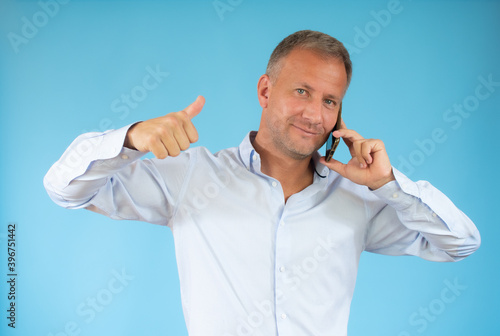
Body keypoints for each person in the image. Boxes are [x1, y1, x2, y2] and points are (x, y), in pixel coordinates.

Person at [44, 30, 480, 336]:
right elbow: (64, 188)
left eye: (330, 101)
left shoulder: (359, 200)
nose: (315, 115)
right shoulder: (191, 177)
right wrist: (132, 136)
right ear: (265, 91)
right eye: (302, 91)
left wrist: (387, 184)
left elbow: (460, 243)